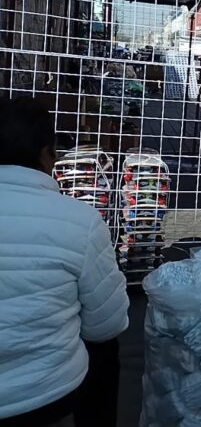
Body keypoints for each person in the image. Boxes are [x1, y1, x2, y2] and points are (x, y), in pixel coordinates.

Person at [0, 97, 130, 426]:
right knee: (104, 350)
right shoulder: (80, 221)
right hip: (46, 395)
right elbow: (107, 325)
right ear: (48, 154)